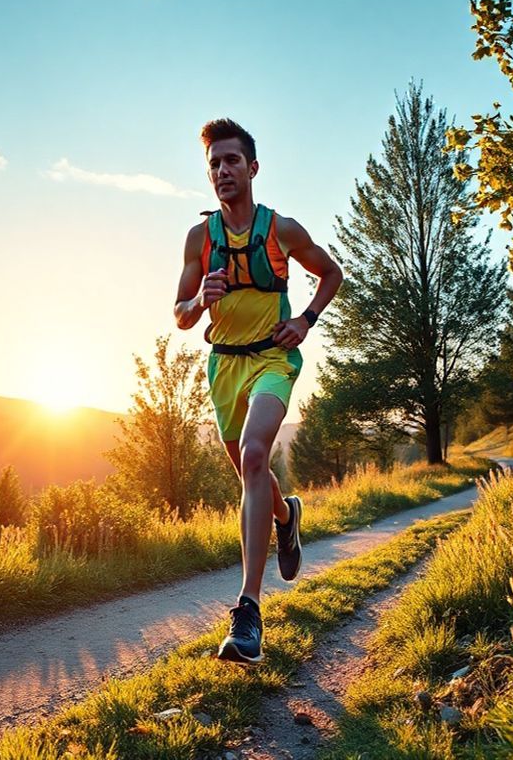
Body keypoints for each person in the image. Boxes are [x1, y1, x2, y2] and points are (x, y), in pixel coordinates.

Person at [173, 118, 344, 664]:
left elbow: (331, 273)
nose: (222, 171)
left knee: (253, 453)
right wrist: (200, 300)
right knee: (250, 471)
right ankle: (286, 518)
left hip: (272, 358)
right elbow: (179, 315)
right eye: (213, 164)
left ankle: (248, 612)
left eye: (231, 161)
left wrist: (307, 320)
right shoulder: (200, 239)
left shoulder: (281, 230)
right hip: (223, 366)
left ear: (252, 167)